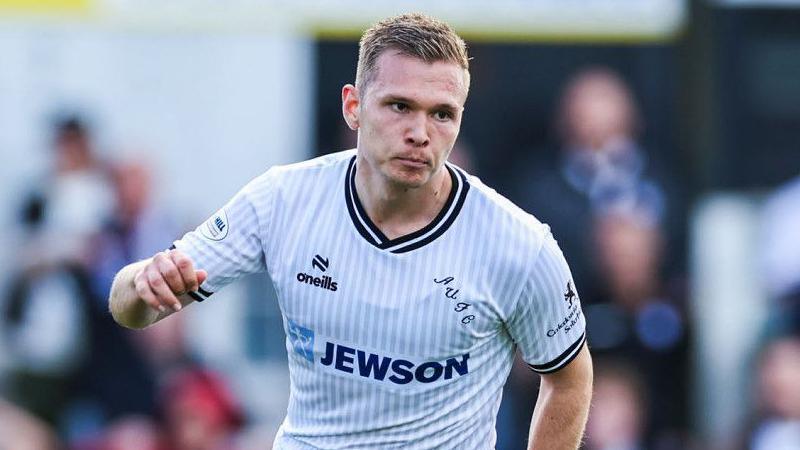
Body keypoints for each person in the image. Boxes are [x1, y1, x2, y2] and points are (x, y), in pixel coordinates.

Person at [109, 13, 592, 449]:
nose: (420, 132)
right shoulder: (284, 199)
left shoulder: (519, 244)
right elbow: (131, 307)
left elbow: (569, 376)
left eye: (442, 113)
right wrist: (142, 283)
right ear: (353, 106)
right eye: (399, 106)